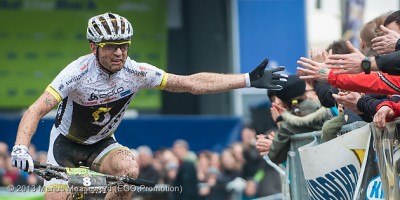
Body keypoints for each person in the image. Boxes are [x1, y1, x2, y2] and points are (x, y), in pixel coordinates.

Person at [10, 12, 287, 199]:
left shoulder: (137, 72)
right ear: (94, 47)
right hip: (65, 145)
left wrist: (247, 80)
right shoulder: (76, 72)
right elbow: (36, 109)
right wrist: (21, 146)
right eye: (111, 46)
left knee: (129, 170)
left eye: (124, 45)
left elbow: (191, 83)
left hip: (102, 143)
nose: (119, 53)